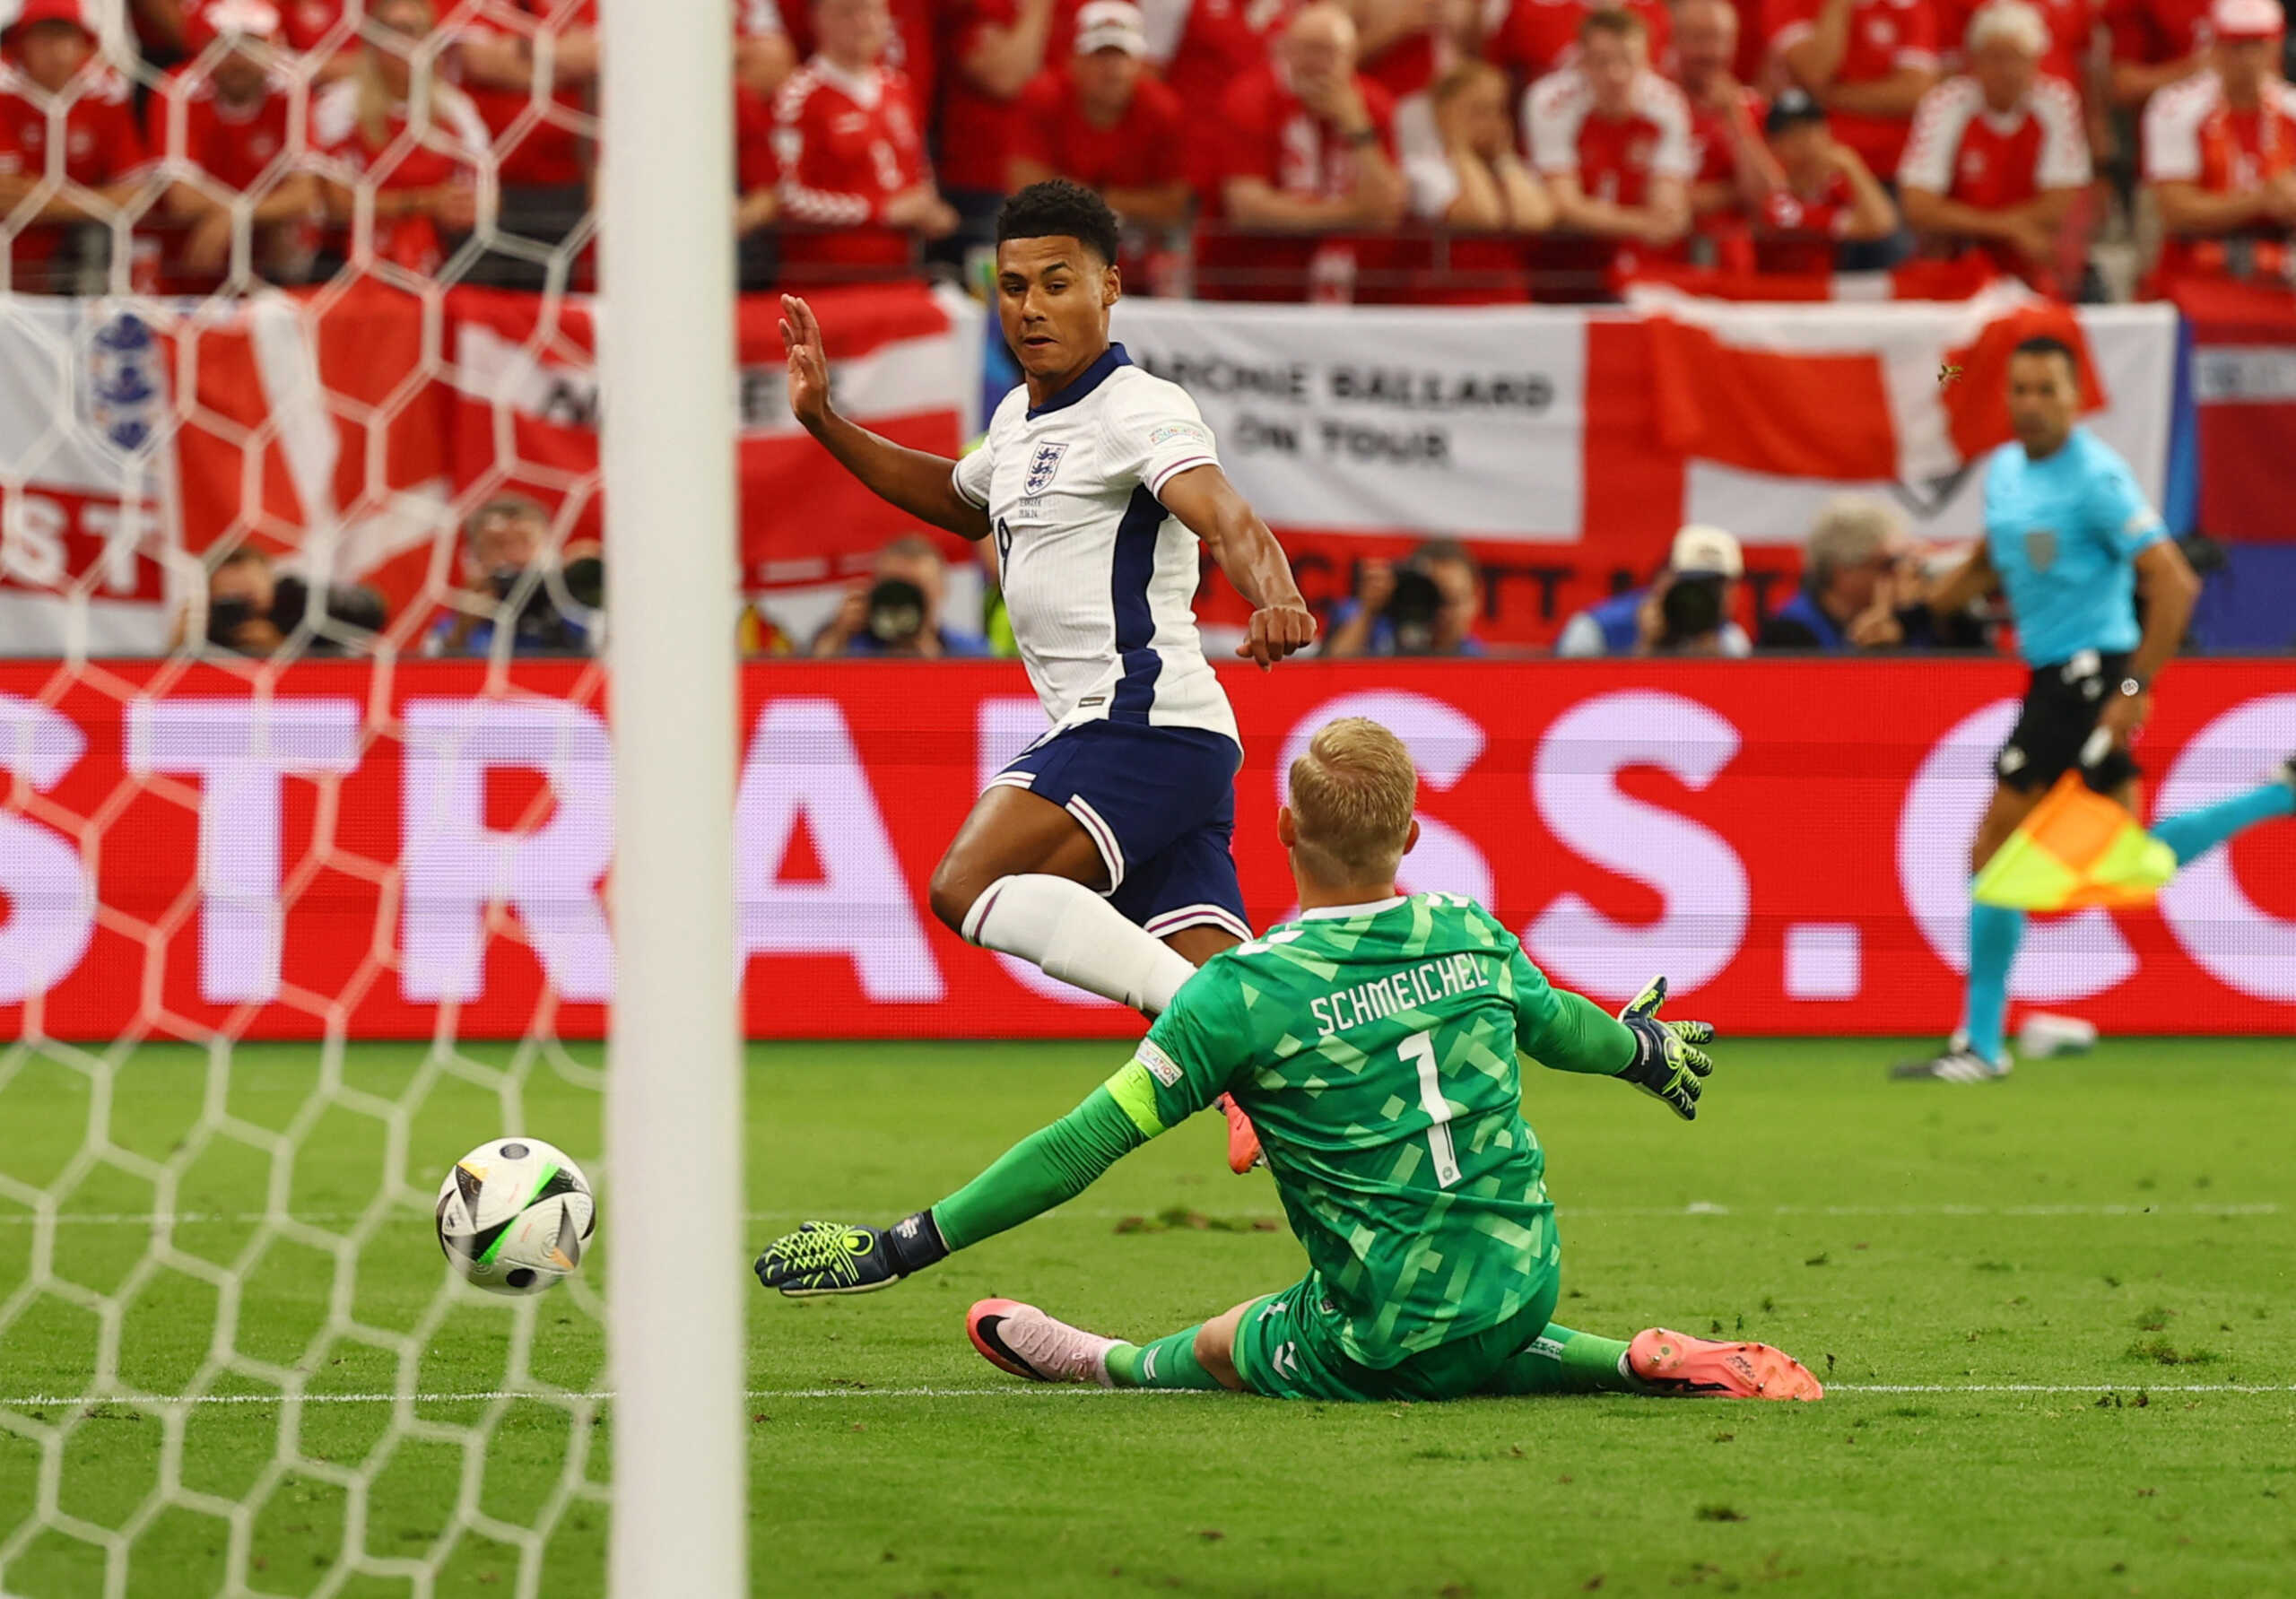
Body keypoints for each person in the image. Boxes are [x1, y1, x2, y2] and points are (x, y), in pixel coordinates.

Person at [756, 716, 1825, 1408]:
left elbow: (1083, 1143)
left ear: (1279, 829)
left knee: (1228, 1342)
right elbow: (1567, 1031)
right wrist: (1642, 1049)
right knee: (1470, 1318)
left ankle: (1103, 1359)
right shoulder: (1469, 928)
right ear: (1410, 837)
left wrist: (905, 1244)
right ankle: (1628, 1360)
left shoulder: (1241, 996)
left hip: (1382, 1332)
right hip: (1526, 1282)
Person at [780, 179, 1318, 1170]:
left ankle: (1216, 1032)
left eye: (1056, 283)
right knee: (1286, 1062)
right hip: (1163, 740)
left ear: (1108, 288)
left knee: (970, 883)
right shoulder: (1021, 423)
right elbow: (955, 496)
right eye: (1012, 285)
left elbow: (1224, 511)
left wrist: (1270, 592)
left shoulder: (1138, 408)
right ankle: (1368, 1134)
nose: (1029, 306)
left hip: (1137, 723)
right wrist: (825, 419)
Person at [1895, 335, 2296, 1082]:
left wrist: (2133, 690)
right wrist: (1922, 600)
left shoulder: (2098, 480)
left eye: (2047, 390)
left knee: (1994, 852)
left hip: (2089, 676)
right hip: (2056, 675)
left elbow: (2174, 583)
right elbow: (1992, 559)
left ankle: (1982, 1046)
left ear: (2077, 398)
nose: (2032, 404)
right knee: (2130, 858)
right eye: (2020, 389)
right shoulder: (2008, 471)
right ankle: (2279, 794)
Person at [1199, 1, 1408, 302]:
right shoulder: (1251, 98)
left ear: (1352, 57)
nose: (1317, 63)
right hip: (1253, 289)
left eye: (1329, 51)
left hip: (1354, 293)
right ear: (1286, 51)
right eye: (1309, 49)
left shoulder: (1374, 104)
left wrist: (1358, 129)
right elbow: (1249, 210)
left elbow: (1388, 210)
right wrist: (1356, 213)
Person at [1898, 0, 2092, 292]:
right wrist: (2010, 228)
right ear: (1974, 61)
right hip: (1956, 258)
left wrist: (1973, 221)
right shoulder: (1945, 103)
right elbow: (1918, 207)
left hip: (2027, 262)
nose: (2008, 71)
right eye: (1996, 58)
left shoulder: (2058, 103)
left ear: (2037, 60)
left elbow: (2057, 204)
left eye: (2017, 58)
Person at [772, 0, 956, 284]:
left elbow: (919, 173)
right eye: (849, 12)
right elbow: (788, 197)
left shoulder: (900, 89)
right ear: (819, 19)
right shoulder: (799, 97)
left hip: (900, 278)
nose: (864, 23)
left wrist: (929, 210)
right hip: (828, 285)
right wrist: (879, 212)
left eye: (873, 11)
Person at [307, 0, 491, 278]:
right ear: (372, 40)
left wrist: (463, 208)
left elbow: (488, 196)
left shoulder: (455, 108)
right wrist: (425, 203)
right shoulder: (340, 105)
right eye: (392, 30)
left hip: (444, 254)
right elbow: (337, 205)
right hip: (346, 259)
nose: (403, 42)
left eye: (413, 30)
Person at [149, 0, 317, 292]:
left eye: (251, 44)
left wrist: (232, 216)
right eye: (225, 44)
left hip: (268, 250)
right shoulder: (178, 89)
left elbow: (304, 194)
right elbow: (182, 199)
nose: (238, 57)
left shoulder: (290, 87)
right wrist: (245, 212)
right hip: (186, 255)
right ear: (202, 47)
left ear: (274, 47)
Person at [1525, 8, 1694, 289]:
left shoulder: (1667, 104)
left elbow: (1668, 209)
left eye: (1628, 61)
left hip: (1639, 264)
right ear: (1582, 62)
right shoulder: (1551, 101)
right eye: (1602, 62)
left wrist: (1659, 220)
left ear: (1647, 61)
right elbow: (1563, 205)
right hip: (1562, 256)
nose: (1616, 74)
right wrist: (1644, 224)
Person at [0, 0, 157, 294]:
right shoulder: (4, 88)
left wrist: (43, 196)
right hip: (14, 248)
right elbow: (4, 195)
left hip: (79, 246)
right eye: (44, 38)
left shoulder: (104, 91)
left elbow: (136, 194)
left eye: (65, 37)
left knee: (98, 238)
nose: (56, 50)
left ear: (86, 45)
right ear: (20, 42)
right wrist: (93, 200)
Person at [2139, 0, 2296, 293]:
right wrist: (2262, 199)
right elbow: (2176, 209)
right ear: (2215, 48)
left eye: (2258, 45)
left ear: (2276, 47)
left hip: (2279, 266)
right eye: (2236, 46)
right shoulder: (2174, 107)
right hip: (2195, 263)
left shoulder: (2291, 108)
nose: (2248, 59)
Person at [1006, 1, 1190, 230]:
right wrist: (1121, 201)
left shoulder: (1163, 110)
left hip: (1136, 244)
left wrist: (1083, 195)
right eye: (1100, 55)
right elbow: (1025, 189)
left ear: (1140, 64)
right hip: (1053, 235)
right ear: (1074, 61)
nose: (1114, 70)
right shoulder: (1043, 97)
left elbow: (1173, 207)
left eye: (1123, 56)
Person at [1769, 0, 1940, 186]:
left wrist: (1829, 95)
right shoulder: (1788, 4)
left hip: (1901, 166)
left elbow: (1915, 94)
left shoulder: (1908, 5)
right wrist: (1838, 5)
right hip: (1824, 169)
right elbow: (1815, 71)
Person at [426, 494, 600, 656]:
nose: (513, 555)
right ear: (473, 557)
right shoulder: (454, 627)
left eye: (525, 542)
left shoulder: (580, 617)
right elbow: (432, 680)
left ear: (550, 549)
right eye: (497, 545)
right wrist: (461, 633)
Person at [1672, 0, 1783, 253]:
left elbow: (1767, 198)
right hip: (1659, 264)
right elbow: (1643, 198)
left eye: (1721, 39)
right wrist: (1733, 194)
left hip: (1731, 264)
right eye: (1699, 38)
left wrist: (1734, 116)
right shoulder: (1653, 103)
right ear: (1675, 39)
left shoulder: (1753, 109)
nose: (1711, 51)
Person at [1752, 86, 1900, 275]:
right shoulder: (1773, 197)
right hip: (1775, 296)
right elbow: (1873, 226)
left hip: (1824, 295)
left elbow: (1884, 224)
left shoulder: (1834, 187)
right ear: (1773, 143)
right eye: (1793, 133)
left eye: (1813, 129)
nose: (1807, 140)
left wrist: (1852, 166)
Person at [1758, 495, 1932, 651]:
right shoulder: (1790, 633)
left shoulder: (1907, 621)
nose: (1899, 574)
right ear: (1843, 569)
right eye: (1888, 565)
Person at [1555, 524, 1753, 658]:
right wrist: (1646, 648)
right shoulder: (1597, 628)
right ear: (1663, 578)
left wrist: (1717, 663)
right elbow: (1567, 699)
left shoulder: (1730, 639)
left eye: (1716, 585)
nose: (1699, 594)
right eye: (1689, 581)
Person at [809, 534, 992, 658]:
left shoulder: (970, 652)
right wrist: (839, 633)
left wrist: (930, 653)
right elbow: (812, 684)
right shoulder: (852, 644)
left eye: (918, 589)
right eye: (897, 587)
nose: (905, 599)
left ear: (941, 590)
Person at [1323, 539, 1486, 656]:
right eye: (1432, 597)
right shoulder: (1367, 622)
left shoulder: (1476, 662)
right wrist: (1367, 612)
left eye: (1452, 600)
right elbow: (1331, 673)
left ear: (1474, 602)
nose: (1441, 611)